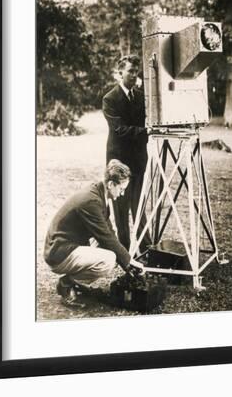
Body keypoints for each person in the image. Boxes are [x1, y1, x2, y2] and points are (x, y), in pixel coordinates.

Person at [44, 159, 143, 307]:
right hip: (59, 253)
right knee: (109, 260)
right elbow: (106, 237)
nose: (122, 194)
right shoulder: (92, 202)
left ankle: (73, 282)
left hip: (66, 245)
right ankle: (67, 284)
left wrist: (126, 261)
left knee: (114, 252)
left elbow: (108, 232)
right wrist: (128, 261)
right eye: (121, 189)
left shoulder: (99, 193)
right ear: (111, 185)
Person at [102, 55, 152, 253]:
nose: (134, 75)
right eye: (130, 71)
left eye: (136, 71)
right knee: (121, 209)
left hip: (139, 159)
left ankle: (146, 250)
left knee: (139, 205)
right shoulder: (110, 98)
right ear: (120, 72)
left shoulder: (141, 97)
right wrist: (145, 132)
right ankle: (124, 252)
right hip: (119, 159)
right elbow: (119, 129)